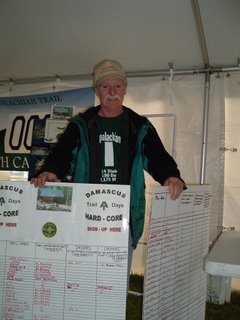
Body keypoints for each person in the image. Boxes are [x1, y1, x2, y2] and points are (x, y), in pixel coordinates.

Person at [31, 58, 185, 251]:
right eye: (105, 86)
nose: (112, 92)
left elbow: (157, 157)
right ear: (97, 90)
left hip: (125, 217)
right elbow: (63, 154)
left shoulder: (140, 126)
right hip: (86, 215)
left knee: (118, 276)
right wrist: (50, 171)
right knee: (84, 273)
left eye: (118, 86)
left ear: (125, 89)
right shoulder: (80, 124)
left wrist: (170, 176)